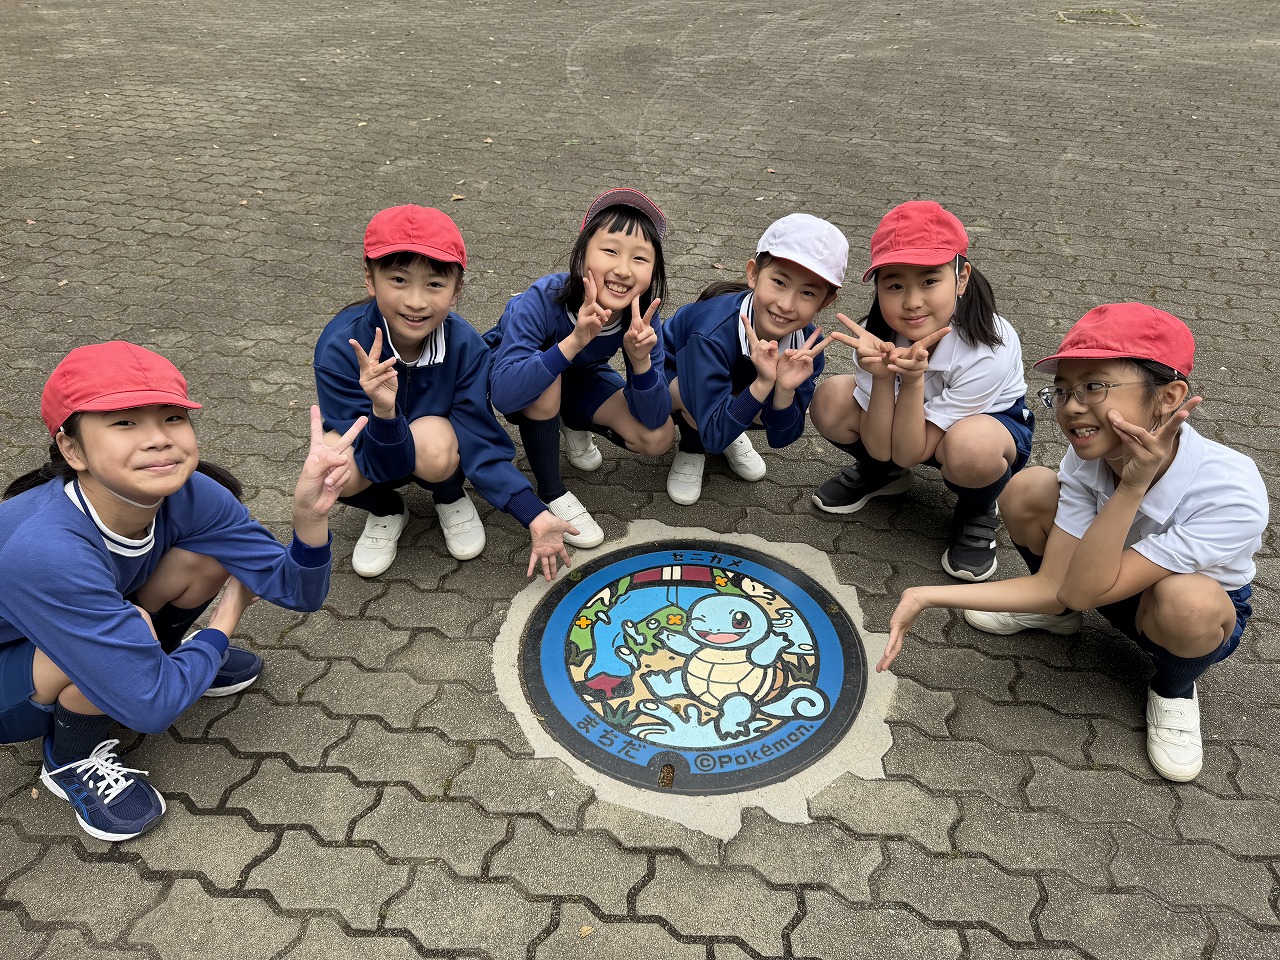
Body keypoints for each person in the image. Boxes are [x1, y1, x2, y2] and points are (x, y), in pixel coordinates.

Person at [881, 304, 1265, 782]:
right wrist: (923, 595)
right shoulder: (1089, 455)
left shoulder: (1231, 491)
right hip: (1096, 576)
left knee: (1188, 603)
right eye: (1062, 390)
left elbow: (1079, 589)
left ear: (1169, 396)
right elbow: (1059, 586)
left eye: (1094, 386)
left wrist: (1131, 487)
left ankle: (1174, 688)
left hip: (1182, 613)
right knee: (1028, 491)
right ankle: (1057, 619)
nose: (1072, 407)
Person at [0, 341, 364, 840]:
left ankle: (159, 660)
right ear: (72, 449)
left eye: (172, 417)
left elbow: (296, 591)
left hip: (64, 623)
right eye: (124, 422)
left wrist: (309, 519)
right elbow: (152, 707)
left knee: (202, 561)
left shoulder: (192, 494)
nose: (158, 439)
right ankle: (70, 757)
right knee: (123, 655)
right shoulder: (45, 550)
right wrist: (223, 622)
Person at [313, 205, 575, 580]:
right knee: (328, 466)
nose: (416, 301)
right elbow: (371, 453)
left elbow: (479, 439)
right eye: (399, 280)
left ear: (456, 291)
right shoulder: (339, 348)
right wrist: (384, 413)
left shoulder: (466, 346)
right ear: (370, 279)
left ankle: (450, 495)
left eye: (434, 284)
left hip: (435, 451)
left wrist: (533, 513)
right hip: (374, 452)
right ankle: (387, 509)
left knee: (435, 440)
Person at [810, 201, 1034, 582]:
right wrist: (883, 377)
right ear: (878, 287)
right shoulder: (874, 334)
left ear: (961, 278)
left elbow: (912, 450)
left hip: (983, 429)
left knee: (970, 449)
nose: (912, 302)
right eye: (895, 285)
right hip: (905, 428)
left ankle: (979, 507)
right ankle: (884, 476)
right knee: (830, 400)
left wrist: (913, 381)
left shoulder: (989, 346)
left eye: (929, 281)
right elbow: (884, 446)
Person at [485, 188, 674, 548]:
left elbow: (655, 416)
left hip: (578, 379)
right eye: (610, 250)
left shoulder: (642, 315)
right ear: (581, 253)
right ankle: (551, 492)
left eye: (639, 258)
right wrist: (573, 341)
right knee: (548, 382)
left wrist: (641, 362)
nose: (623, 269)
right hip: (521, 379)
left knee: (658, 437)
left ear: (653, 270)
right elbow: (505, 395)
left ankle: (572, 421)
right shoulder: (543, 297)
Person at [661, 213, 846, 504]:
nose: (786, 304)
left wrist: (783, 389)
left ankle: (730, 421)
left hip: (731, 383)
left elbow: (782, 437)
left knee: (764, 401)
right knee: (706, 419)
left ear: (825, 301)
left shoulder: (807, 350)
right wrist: (762, 385)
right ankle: (692, 446)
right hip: (673, 370)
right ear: (753, 274)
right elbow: (714, 439)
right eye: (779, 282)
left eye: (808, 292)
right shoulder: (710, 333)